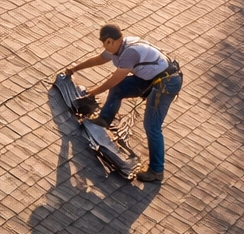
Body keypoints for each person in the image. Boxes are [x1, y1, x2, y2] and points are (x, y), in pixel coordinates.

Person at [62, 24, 182, 183]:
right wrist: (75, 68)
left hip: (166, 83)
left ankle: (156, 171)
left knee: (152, 126)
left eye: (105, 43)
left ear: (112, 41)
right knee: (119, 89)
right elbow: (99, 59)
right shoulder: (119, 46)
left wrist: (92, 93)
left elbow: (112, 81)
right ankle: (104, 119)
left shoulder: (129, 53)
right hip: (152, 78)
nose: (103, 47)